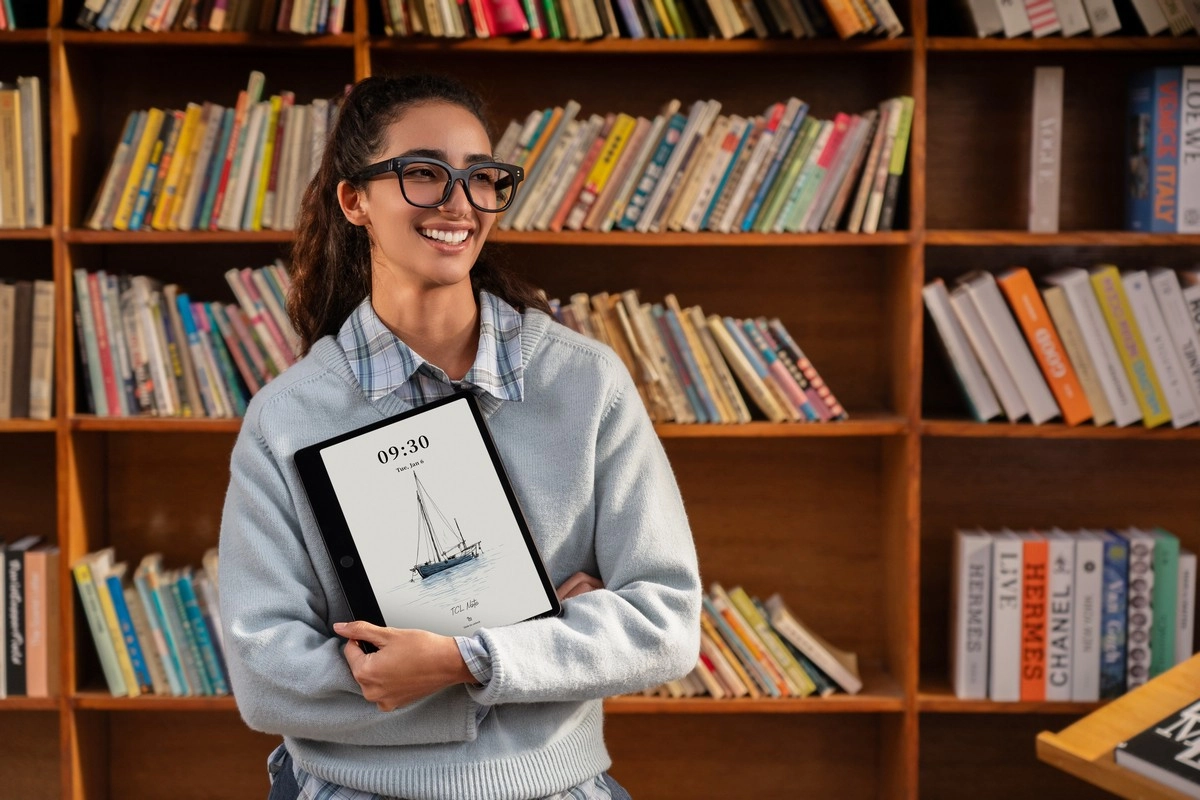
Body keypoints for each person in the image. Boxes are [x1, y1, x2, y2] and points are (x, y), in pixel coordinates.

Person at [218, 72, 702, 800]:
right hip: (347, 790)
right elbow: (265, 679)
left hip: (555, 788)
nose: (459, 202)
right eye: (423, 174)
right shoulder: (287, 417)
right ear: (355, 200)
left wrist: (460, 660)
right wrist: (555, 641)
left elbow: (665, 624)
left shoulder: (587, 383)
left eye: (483, 178)